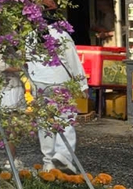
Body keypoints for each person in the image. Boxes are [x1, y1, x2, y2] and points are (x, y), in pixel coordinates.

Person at [26, 10, 90, 171]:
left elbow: (27, 62)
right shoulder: (61, 35)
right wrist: (82, 84)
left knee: (44, 122)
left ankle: (47, 161)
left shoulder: (30, 36)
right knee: (65, 118)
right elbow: (73, 60)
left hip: (39, 83)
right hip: (59, 81)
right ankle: (63, 154)